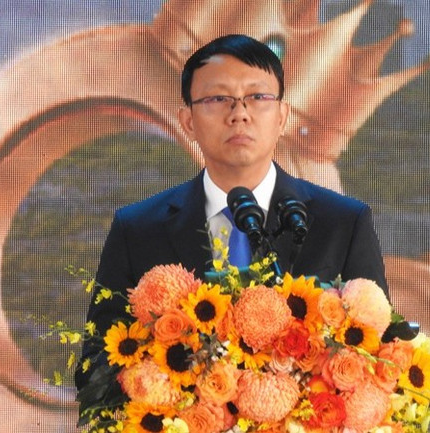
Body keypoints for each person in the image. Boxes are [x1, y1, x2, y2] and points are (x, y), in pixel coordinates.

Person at [75, 34, 387, 391]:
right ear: (188, 121)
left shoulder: (343, 223)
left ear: (282, 116)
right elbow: (94, 370)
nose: (239, 113)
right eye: (218, 99)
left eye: (257, 97)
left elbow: (380, 360)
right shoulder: (138, 229)